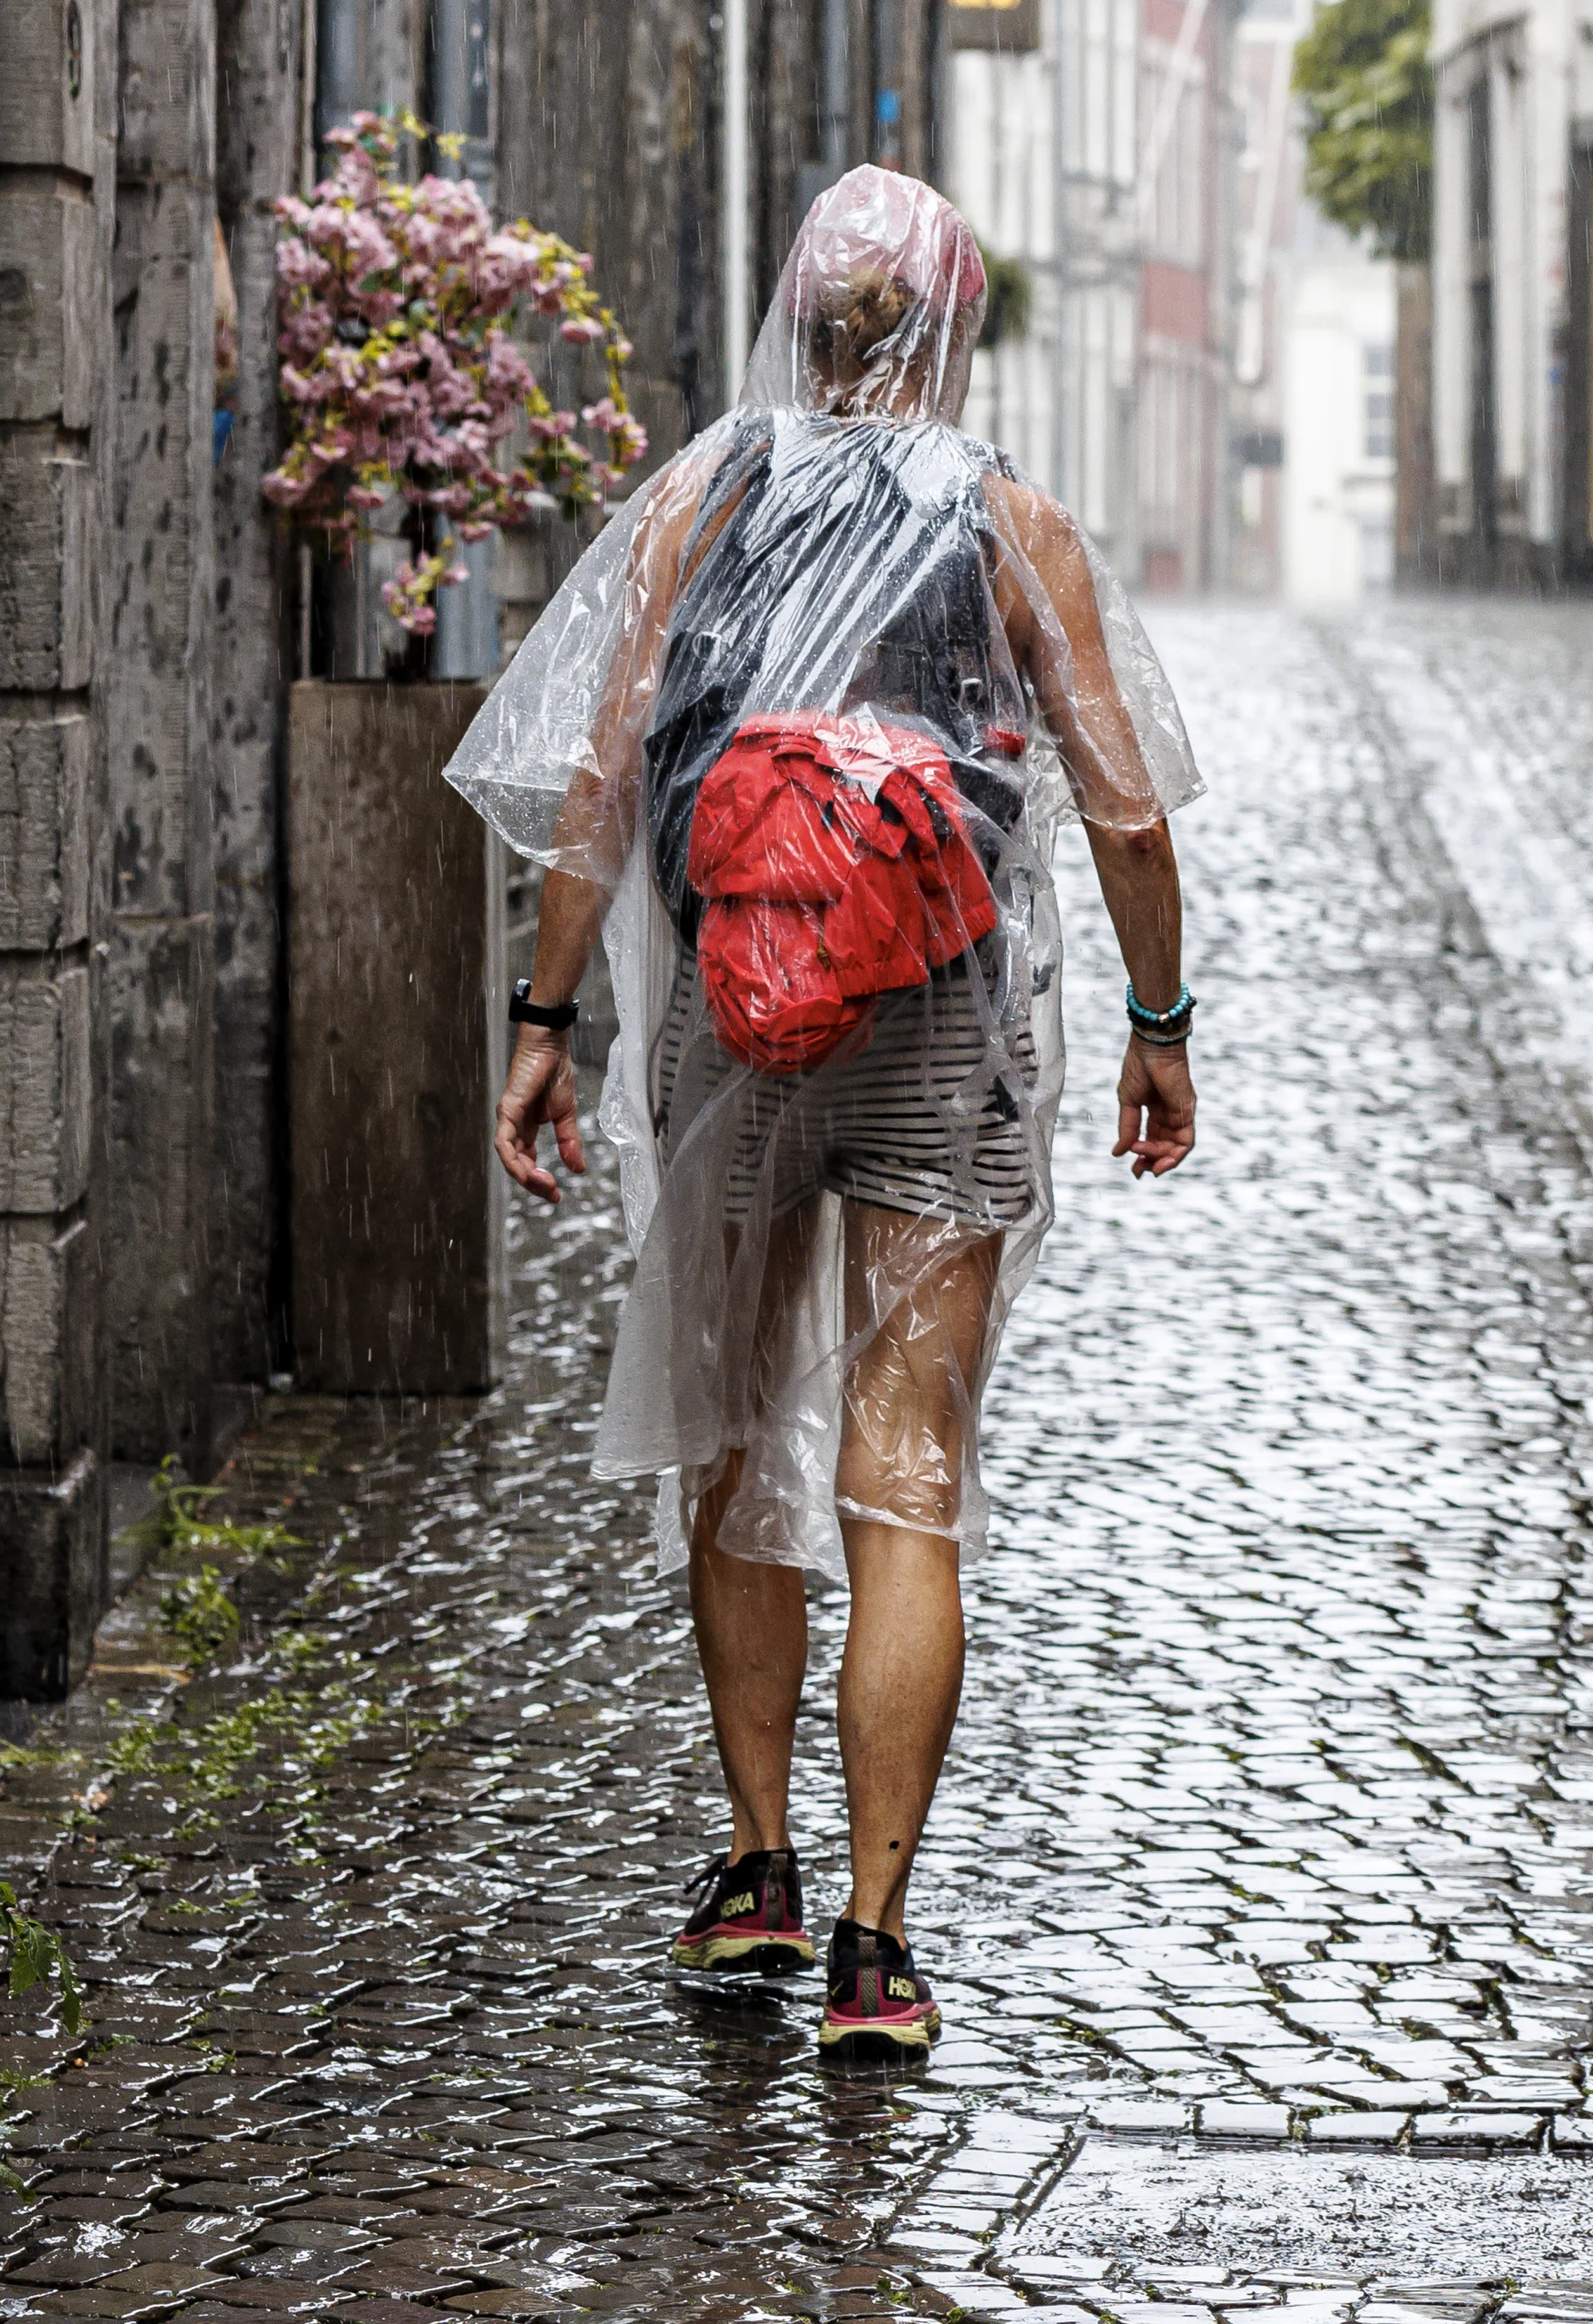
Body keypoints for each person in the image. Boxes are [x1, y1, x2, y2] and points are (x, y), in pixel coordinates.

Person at [441, 167, 1202, 2062]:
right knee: (906, 1463)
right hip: (943, 1019)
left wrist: (547, 1016)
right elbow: (1123, 809)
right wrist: (1159, 1022)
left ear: (801, 321)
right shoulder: (1011, 522)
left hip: (740, 1016)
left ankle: (756, 1863)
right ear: (954, 336)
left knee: (733, 1433)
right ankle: (877, 1941)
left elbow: (604, 775)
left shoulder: (704, 500)